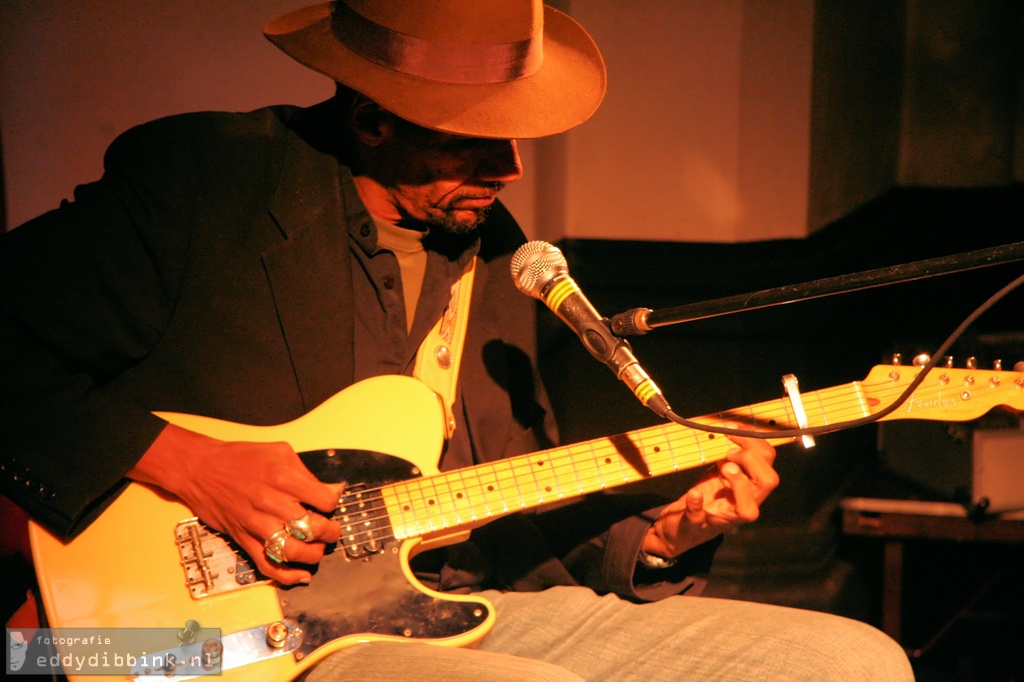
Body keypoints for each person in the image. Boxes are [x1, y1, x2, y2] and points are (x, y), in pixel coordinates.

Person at [0, 1, 913, 680]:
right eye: (473, 143)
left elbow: (517, 489)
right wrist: (195, 465)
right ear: (372, 120)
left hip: (441, 604)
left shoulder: (501, 254)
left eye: (513, 139)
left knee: (853, 662)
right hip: (221, 634)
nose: (508, 168)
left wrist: (667, 533)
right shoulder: (210, 184)